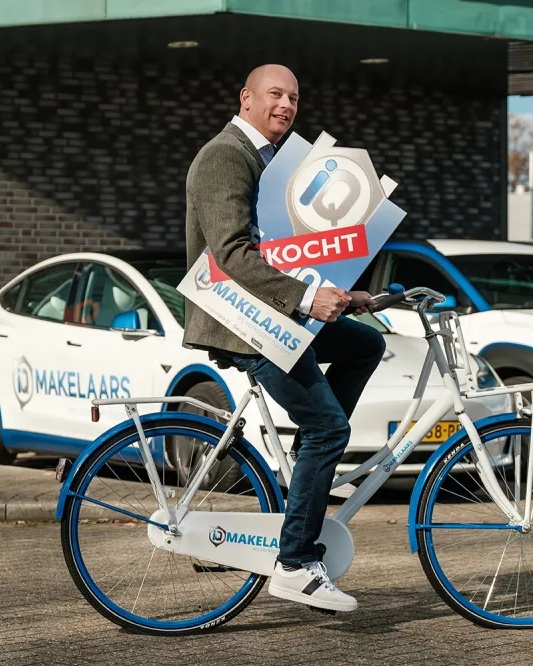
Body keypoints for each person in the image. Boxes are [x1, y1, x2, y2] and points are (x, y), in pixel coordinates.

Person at [182, 64, 386, 613]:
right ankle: (295, 565)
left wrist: (343, 292)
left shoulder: (274, 163)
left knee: (364, 345)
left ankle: (308, 471)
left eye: (294, 97)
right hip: (242, 322)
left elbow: (289, 249)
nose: (287, 105)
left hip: (270, 315)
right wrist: (304, 298)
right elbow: (231, 252)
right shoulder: (227, 156)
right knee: (328, 427)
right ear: (245, 97)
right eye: (275, 94)